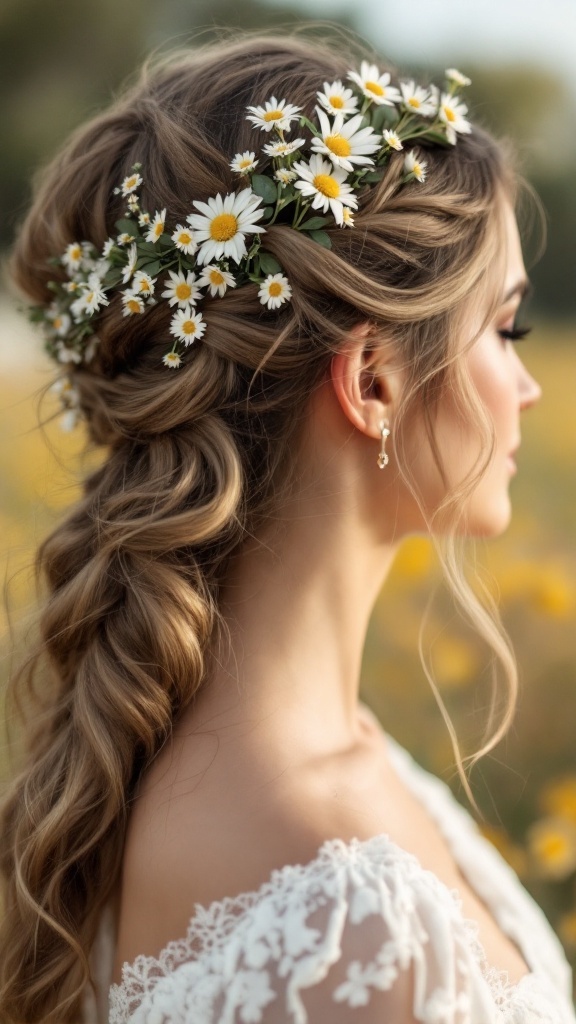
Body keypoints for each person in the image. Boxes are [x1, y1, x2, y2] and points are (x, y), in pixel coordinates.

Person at [0, 31, 574, 1024]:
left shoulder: (226, 764)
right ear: (372, 380)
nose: (525, 387)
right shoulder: (354, 924)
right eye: (504, 327)